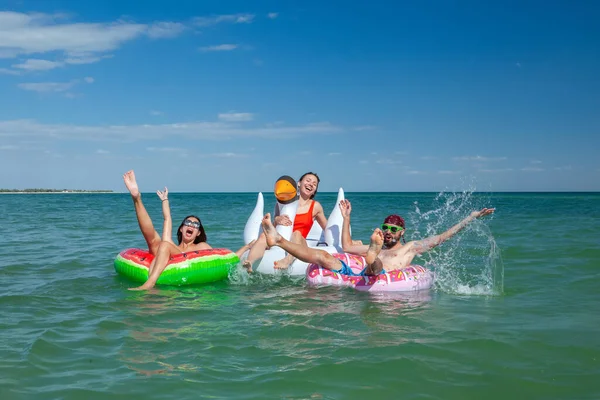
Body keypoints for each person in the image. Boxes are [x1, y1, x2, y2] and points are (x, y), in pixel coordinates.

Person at [260, 199, 495, 276]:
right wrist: (346, 218)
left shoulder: (412, 247)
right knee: (322, 256)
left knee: (376, 263)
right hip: (360, 275)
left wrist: (471, 218)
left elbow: (444, 236)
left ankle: (373, 256)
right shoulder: (381, 243)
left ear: (402, 232)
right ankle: (278, 240)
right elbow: (347, 246)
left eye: (394, 229)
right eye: (386, 227)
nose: (390, 231)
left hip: (380, 274)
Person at [123, 170, 255, 290]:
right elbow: (167, 218)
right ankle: (137, 198)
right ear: (181, 229)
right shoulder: (170, 245)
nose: (191, 225)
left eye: (195, 225)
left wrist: (246, 247)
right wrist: (164, 200)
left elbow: (223, 260)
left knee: (163, 244)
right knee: (154, 241)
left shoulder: (201, 246)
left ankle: (149, 283)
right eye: (188, 222)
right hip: (170, 256)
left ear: (198, 233)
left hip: (180, 273)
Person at [243, 172, 328, 272]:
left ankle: (288, 260)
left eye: (314, 184)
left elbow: (327, 228)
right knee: (263, 236)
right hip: (280, 239)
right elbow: (274, 227)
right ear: (299, 183)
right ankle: (249, 263)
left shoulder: (315, 206)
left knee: (296, 234)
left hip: (299, 242)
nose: (310, 184)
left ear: (314, 191)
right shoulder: (283, 202)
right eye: (308, 180)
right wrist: (276, 219)